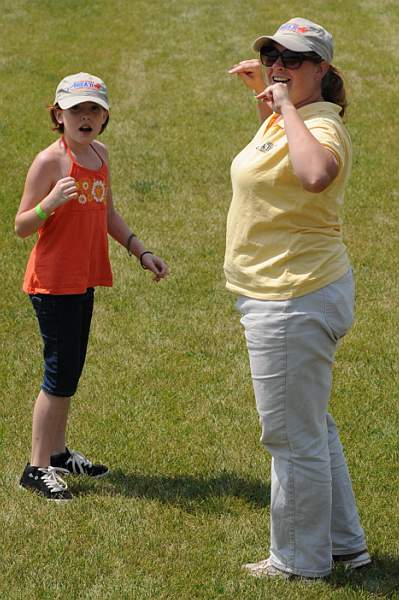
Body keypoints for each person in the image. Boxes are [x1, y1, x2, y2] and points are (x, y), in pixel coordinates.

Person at [225, 18, 371, 579]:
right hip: (285, 291)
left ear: (322, 70)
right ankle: (344, 545)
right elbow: (280, 164)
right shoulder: (293, 118)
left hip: (292, 297)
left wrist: (284, 107)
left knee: (290, 436)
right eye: (272, 57)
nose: (278, 66)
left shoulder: (321, 128)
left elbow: (312, 174)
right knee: (311, 426)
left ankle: (299, 561)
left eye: (293, 58)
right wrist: (268, 103)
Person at [15, 73, 168, 502]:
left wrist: (140, 251)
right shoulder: (51, 162)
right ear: (58, 114)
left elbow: (107, 215)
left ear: (105, 117)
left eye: (94, 110)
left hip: (82, 278)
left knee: (70, 372)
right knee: (58, 375)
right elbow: (21, 225)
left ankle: (59, 453)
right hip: (52, 282)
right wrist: (50, 204)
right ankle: (37, 467)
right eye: (76, 110)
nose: (85, 117)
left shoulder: (99, 155)